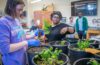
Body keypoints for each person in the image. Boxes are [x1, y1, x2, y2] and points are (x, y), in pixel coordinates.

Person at [0, 0, 40, 65]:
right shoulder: (3, 22)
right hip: (12, 61)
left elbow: (21, 36)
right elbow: (5, 48)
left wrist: (33, 35)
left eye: (22, 10)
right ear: (10, 7)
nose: (21, 12)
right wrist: (26, 42)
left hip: (22, 58)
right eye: (19, 10)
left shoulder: (16, 20)